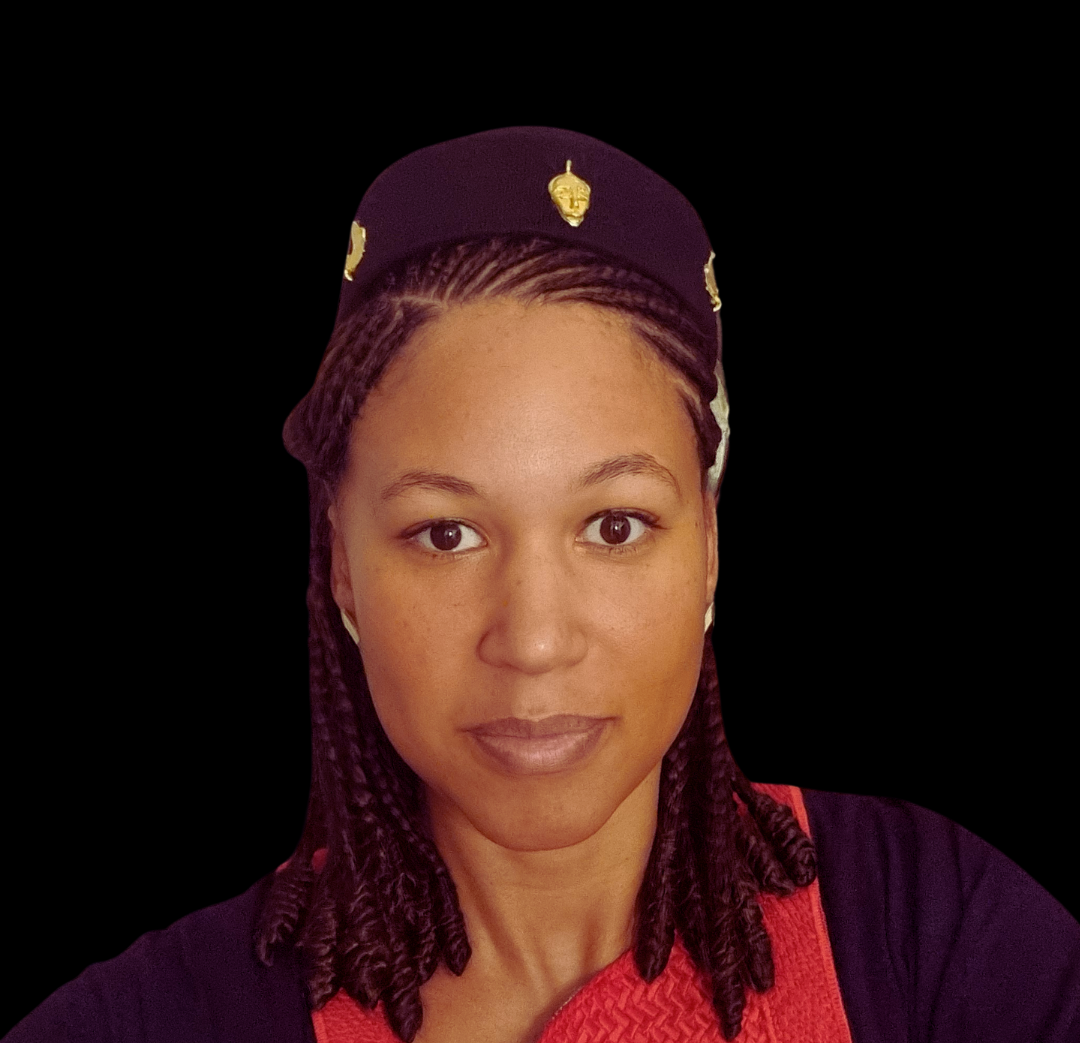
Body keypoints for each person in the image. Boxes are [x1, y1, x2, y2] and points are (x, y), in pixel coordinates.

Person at [6, 127, 1077, 1043]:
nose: (532, 638)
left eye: (614, 525)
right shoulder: (160, 1021)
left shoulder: (943, 944)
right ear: (340, 564)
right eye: (446, 532)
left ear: (708, 547)